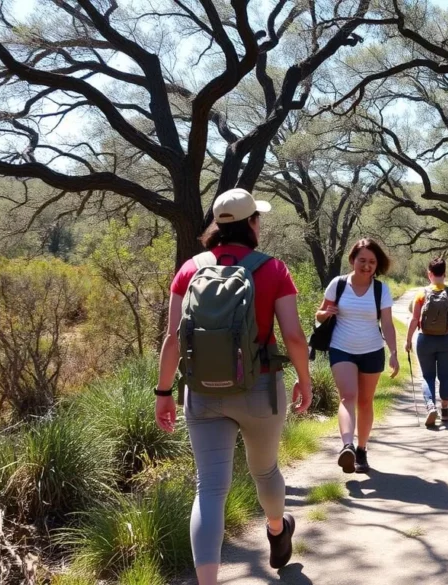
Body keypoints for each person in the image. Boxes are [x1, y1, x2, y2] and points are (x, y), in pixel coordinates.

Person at [154, 188, 313, 584]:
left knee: (209, 488)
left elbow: (173, 339)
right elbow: (293, 336)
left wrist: (163, 393)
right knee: (265, 470)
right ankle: (277, 528)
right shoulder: (273, 269)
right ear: (252, 224)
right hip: (261, 388)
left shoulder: (190, 268)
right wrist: (304, 382)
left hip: (203, 391)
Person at [316, 238, 400, 474]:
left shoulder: (381, 289)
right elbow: (320, 314)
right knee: (347, 397)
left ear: (377, 265)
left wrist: (393, 352)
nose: (367, 265)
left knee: (365, 402)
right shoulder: (338, 284)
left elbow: (387, 323)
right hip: (341, 348)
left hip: (372, 350)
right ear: (352, 260)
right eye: (362, 260)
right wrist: (326, 312)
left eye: (372, 262)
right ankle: (347, 446)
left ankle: (361, 449)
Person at [404, 257, 448, 427]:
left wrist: (408, 340)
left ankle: (430, 406)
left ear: (429, 274)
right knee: (445, 376)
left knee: (428, 376)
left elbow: (414, 319)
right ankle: (445, 411)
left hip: (425, 340)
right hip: (446, 340)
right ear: (445, 274)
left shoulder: (421, 293)